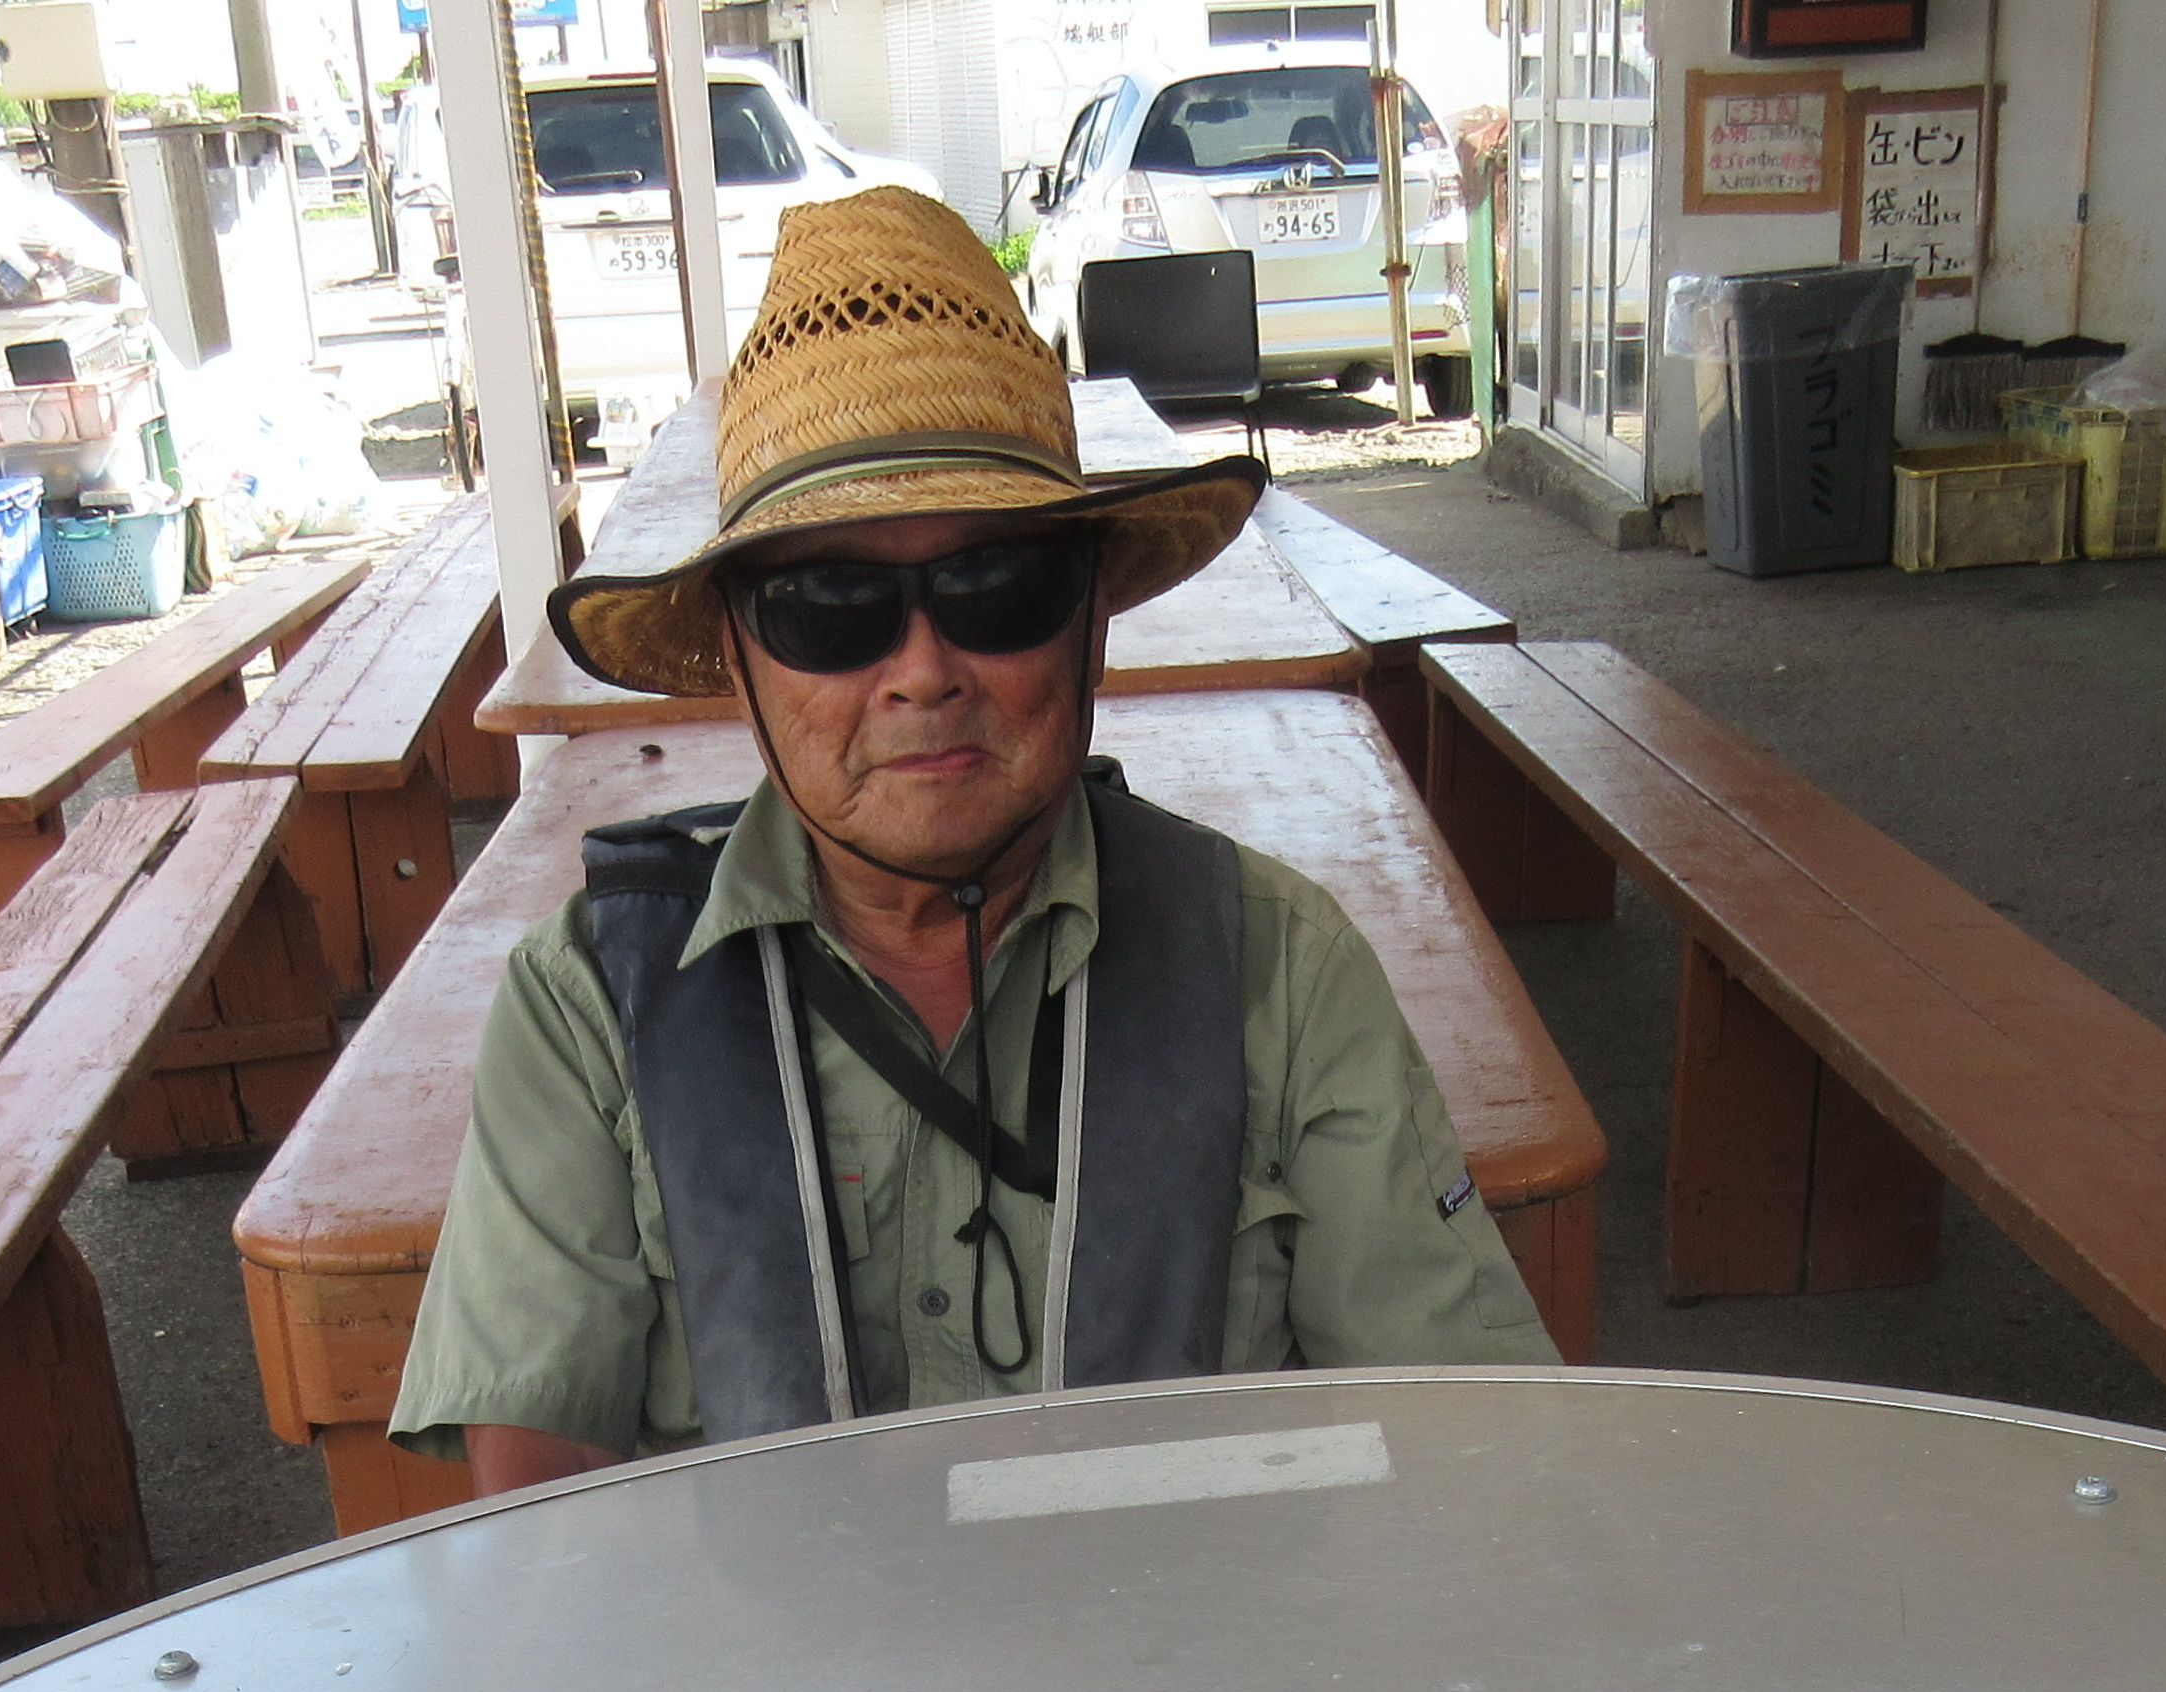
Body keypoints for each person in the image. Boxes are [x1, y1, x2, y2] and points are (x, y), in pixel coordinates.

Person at [389, 186, 1556, 1492]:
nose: (923, 670)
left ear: (1091, 627)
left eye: (997, 586)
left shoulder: (1278, 965)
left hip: (1190, 1626)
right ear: (739, 660)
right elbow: (539, 1512)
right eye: (829, 605)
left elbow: (1464, 1443)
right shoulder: (589, 1006)